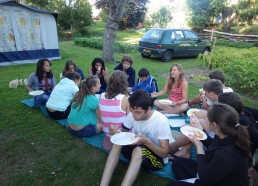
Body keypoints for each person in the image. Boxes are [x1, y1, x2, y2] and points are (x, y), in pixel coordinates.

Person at [100, 89, 172, 186]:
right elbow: (123, 132)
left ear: (149, 110)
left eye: (138, 112)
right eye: (131, 110)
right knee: (118, 141)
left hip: (157, 160)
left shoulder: (161, 121)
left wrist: (147, 142)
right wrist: (116, 132)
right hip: (138, 149)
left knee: (139, 150)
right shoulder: (133, 113)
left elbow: (165, 153)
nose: (133, 115)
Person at [168, 103, 250, 186]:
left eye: (207, 118)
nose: (204, 120)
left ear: (214, 125)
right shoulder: (226, 134)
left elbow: (205, 180)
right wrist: (199, 128)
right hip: (213, 171)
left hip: (216, 181)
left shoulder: (226, 154)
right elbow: (212, 144)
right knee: (178, 163)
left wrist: (199, 148)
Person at [99, 70, 130, 150]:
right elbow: (130, 121)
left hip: (107, 132)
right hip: (121, 134)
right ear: (125, 83)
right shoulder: (125, 99)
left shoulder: (101, 96)